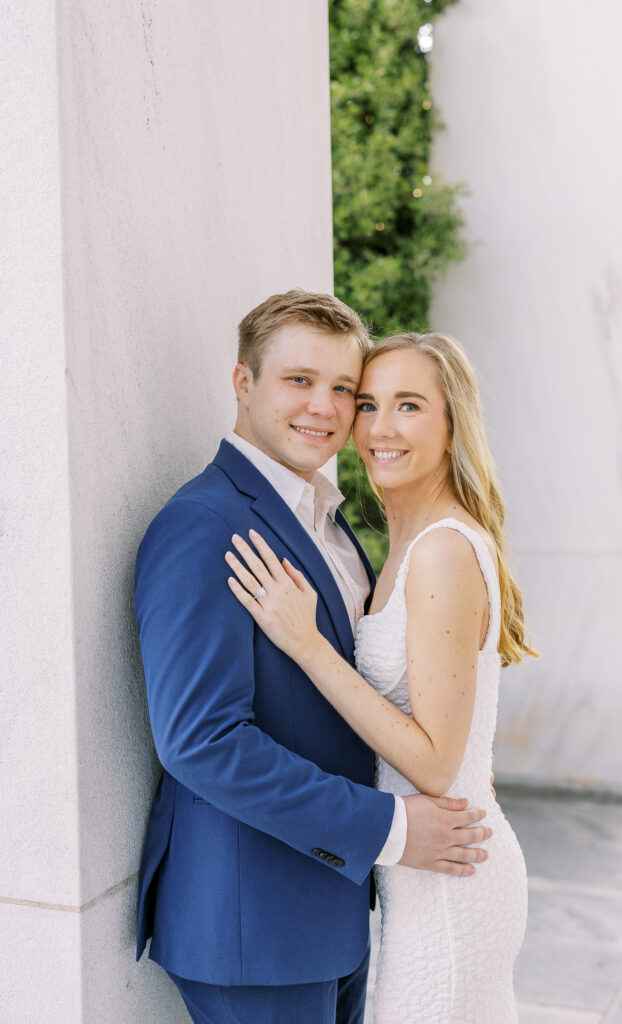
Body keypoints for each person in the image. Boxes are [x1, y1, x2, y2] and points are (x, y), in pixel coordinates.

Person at [135, 293, 493, 1024]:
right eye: (299, 381)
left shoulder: (331, 523)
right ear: (243, 384)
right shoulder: (203, 524)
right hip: (255, 924)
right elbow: (200, 742)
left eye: (342, 390)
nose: (325, 409)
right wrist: (388, 829)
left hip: (337, 911)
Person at [227, 330, 539, 1024]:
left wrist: (308, 647)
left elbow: (433, 763)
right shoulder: (402, 543)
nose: (377, 428)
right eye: (366, 404)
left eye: (408, 406)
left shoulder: (441, 552)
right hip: (419, 874)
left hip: (451, 879)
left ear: (452, 421)